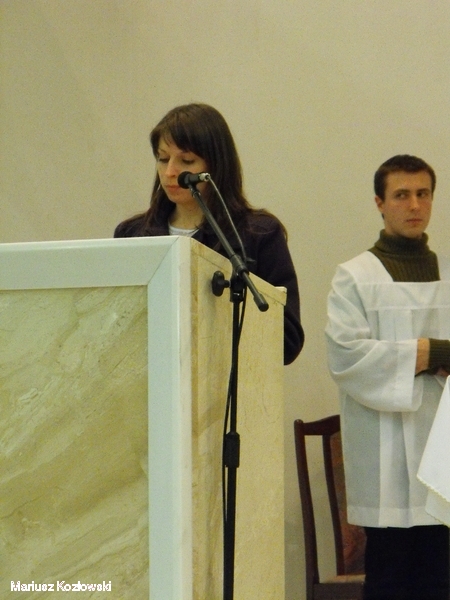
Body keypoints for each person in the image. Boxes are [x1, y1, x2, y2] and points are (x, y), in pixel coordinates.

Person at [325, 155, 450, 600]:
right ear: (380, 202)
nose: (414, 205)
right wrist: (430, 353)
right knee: (390, 581)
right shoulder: (355, 277)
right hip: (384, 451)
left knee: (440, 580)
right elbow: (346, 355)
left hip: (442, 452)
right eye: (401, 195)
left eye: (423, 194)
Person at [114, 103, 304, 364]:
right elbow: (116, 328)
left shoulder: (257, 234)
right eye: (163, 158)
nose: (170, 172)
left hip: (227, 381)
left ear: (215, 166)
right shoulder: (132, 235)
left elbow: (287, 341)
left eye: (186, 161)